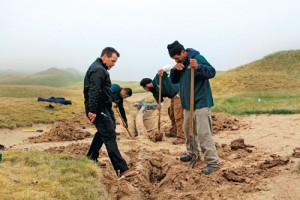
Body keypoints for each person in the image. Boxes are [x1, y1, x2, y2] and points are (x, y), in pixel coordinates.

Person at [83, 47, 138, 179]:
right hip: (99, 108)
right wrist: (93, 110)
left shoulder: (100, 69)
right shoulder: (98, 70)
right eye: (112, 61)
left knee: (107, 130)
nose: (113, 64)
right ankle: (122, 169)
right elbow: (94, 90)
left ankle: (91, 157)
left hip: (104, 108)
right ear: (104, 57)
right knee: (109, 135)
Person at [167, 40, 219, 174]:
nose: (175, 60)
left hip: (200, 102)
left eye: (176, 58)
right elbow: (174, 81)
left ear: (183, 52)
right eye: (173, 59)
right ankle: (192, 153)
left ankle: (213, 163)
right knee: (188, 131)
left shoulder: (197, 58)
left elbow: (212, 72)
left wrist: (199, 67)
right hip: (187, 104)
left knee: (203, 133)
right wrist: (175, 70)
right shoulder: (181, 63)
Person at [140, 65, 185, 145]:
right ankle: (174, 131)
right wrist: (159, 105)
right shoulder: (154, 92)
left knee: (178, 115)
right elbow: (161, 102)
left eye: (145, 88)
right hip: (173, 97)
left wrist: (162, 69)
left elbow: (169, 67)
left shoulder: (158, 78)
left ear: (148, 84)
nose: (146, 89)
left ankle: (182, 137)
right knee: (171, 113)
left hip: (180, 93)